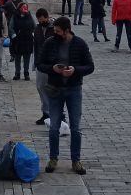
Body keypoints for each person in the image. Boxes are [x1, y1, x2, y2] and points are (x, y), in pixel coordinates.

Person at [36, 16, 94, 175]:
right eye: (54, 30)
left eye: (58, 31)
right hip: (55, 89)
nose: (55, 33)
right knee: (54, 127)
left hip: (74, 89)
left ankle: (76, 160)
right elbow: (39, 64)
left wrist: (75, 70)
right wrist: (52, 68)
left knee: (75, 127)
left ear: (67, 30)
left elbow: (90, 66)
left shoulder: (79, 44)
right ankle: (53, 158)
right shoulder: (50, 43)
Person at [11, 2, 36, 80]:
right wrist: (14, 35)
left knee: (27, 57)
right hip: (18, 39)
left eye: (26, 7)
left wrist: (32, 33)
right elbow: (11, 27)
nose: (25, 8)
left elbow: (34, 26)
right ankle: (17, 73)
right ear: (19, 8)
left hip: (28, 39)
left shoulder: (29, 15)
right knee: (17, 57)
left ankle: (26, 73)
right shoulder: (15, 16)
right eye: (23, 7)